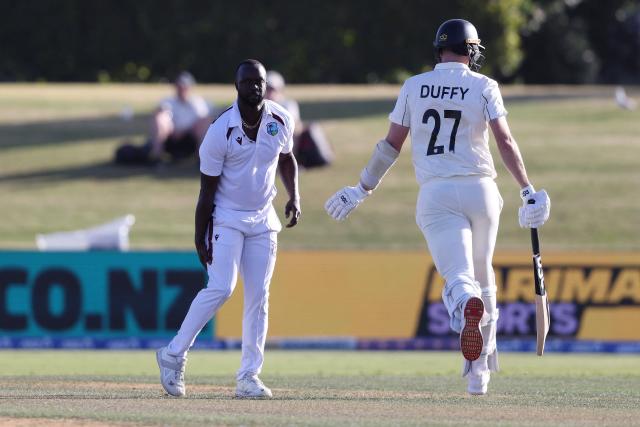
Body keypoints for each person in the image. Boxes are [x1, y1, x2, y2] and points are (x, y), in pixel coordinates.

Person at [324, 19, 550, 395]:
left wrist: (361, 188)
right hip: (482, 190)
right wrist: (527, 189)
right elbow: (505, 142)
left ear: (439, 49)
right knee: (484, 275)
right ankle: (479, 375)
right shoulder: (484, 85)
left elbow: (390, 146)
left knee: (460, 278)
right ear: (472, 49)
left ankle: (466, 304)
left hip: (437, 194)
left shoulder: (414, 86)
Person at [156, 59, 301, 399]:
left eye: (260, 82)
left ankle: (248, 377)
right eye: (248, 82)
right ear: (236, 86)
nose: (254, 87)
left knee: (259, 297)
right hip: (227, 218)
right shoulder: (220, 131)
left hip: (263, 219)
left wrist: (295, 196)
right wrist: (199, 236)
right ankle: (173, 354)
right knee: (222, 287)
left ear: (266, 85)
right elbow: (206, 192)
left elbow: (287, 158)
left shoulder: (280, 119)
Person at [265, 70, 334, 169]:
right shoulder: (259, 107)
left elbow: (294, 126)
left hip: (286, 140)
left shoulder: (288, 104)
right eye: (267, 89)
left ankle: (290, 163)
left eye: (272, 89)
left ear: (280, 90)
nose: (269, 92)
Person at [148, 71, 213, 161]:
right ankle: (156, 157)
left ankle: (201, 158)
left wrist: (185, 131)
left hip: (190, 140)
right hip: (171, 139)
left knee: (205, 120)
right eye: (179, 86)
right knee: (160, 117)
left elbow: (204, 121)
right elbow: (160, 115)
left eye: (184, 87)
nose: (182, 89)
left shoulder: (197, 103)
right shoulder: (168, 102)